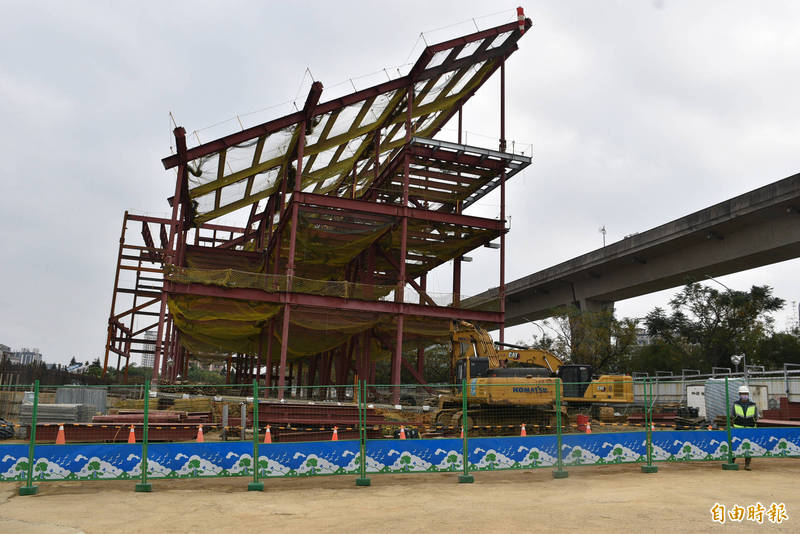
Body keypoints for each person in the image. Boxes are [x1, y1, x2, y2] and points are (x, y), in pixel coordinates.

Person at [732, 385, 758, 470]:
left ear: (748, 394)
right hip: (738, 429)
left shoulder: (753, 405)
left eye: (746, 394)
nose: (744, 395)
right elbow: (732, 416)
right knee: (735, 446)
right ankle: (732, 462)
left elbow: (756, 416)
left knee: (748, 447)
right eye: (742, 394)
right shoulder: (735, 404)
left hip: (750, 429)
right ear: (739, 394)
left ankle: (747, 465)